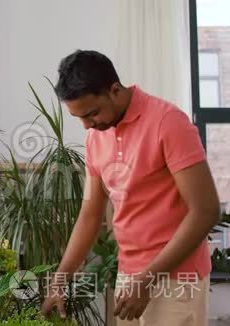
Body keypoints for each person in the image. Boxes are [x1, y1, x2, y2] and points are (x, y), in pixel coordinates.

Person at [41, 50, 220, 325]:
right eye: (79, 118)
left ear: (114, 90)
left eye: (92, 113)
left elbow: (205, 211)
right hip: (129, 276)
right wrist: (60, 279)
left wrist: (148, 279)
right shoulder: (95, 139)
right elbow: (90, 215)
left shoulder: (168, 122)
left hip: (175, 278)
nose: (87, 125)